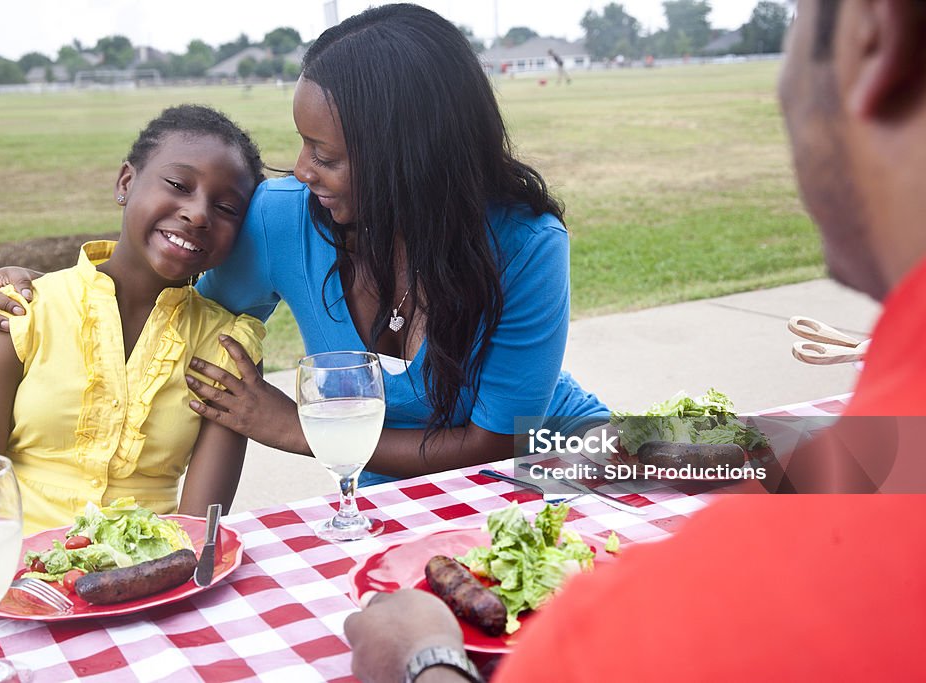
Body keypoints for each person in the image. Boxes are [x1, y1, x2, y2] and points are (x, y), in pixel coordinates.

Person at [343, 0, 926, 680]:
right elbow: (883, 449)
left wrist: (424, 660)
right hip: (567, 449)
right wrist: (706, 445)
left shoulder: (667, 627)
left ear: (870, 33)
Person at [0, 4, 608, 487]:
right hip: (401, 504)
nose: (300, 170)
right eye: (302, 144)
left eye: (325, 154)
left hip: (562, 451)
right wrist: (30, 288)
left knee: (701, 474)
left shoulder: (526, 246)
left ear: (408, 160)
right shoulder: (285, 220)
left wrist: (295, 427)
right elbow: (168, 302)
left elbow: (494, 443)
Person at [0, 105, 266, 533]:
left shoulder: (228, 347)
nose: (199, 213)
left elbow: (199, 532)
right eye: (178, 184)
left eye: (227, 208)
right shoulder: (19, 311)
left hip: (151, 577)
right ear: (125, 182)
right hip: (15, 576)